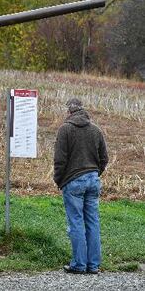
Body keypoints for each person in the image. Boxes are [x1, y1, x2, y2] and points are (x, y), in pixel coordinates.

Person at [53, 98, 108, 274]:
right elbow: (104, 158)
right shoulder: (96, 130)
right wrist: (95, 173)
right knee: (92, 222)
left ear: (69, 112)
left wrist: (59, 180)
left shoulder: (65, 129)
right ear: (83, 111)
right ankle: (93, 265)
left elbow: (60, 160)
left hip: (73, 181)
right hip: (93, 180)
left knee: (76, 222)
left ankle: (79, 264)